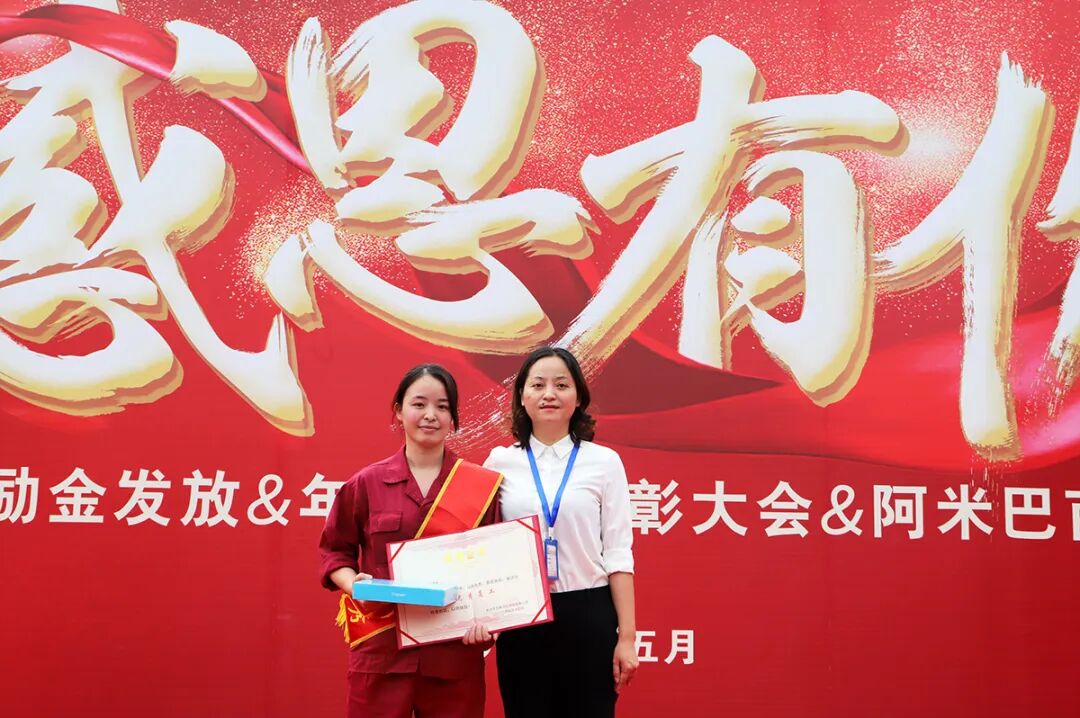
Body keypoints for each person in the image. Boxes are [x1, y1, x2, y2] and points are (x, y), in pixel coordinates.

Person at [319, 364, 500, 718]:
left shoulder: (479, 486)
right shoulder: (366, 483)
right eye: (419, 404)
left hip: (453, 654)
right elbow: (335, 551)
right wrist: (354, 585)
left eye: (442, 407)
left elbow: (494, 564)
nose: (430, 415)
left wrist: (490, 623)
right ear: (398, 411)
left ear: (453, 418)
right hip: (382, 650)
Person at [484, 347, 638, 718]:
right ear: (522, 396)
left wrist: (628, 637)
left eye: (561, 385)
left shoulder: (604, 463)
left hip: (589, 613)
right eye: (538, 385)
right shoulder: (500, 462)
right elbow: (482, 546)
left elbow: (618, 552)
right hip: (523, 615)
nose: (549, 394)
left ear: (578, 397)